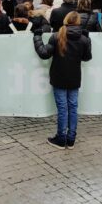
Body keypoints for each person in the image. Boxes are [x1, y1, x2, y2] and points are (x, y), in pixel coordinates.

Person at [33, 12, 92, 148]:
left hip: (59, 76)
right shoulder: (83, 39)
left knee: (63, 108)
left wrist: (37, 37)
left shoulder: (57, 37)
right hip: (74, 77)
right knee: (72, 107)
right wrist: (88, 41)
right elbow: (87, 57)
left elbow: (43, 53)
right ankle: (70, 139)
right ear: (78, 22)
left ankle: (61, 138)